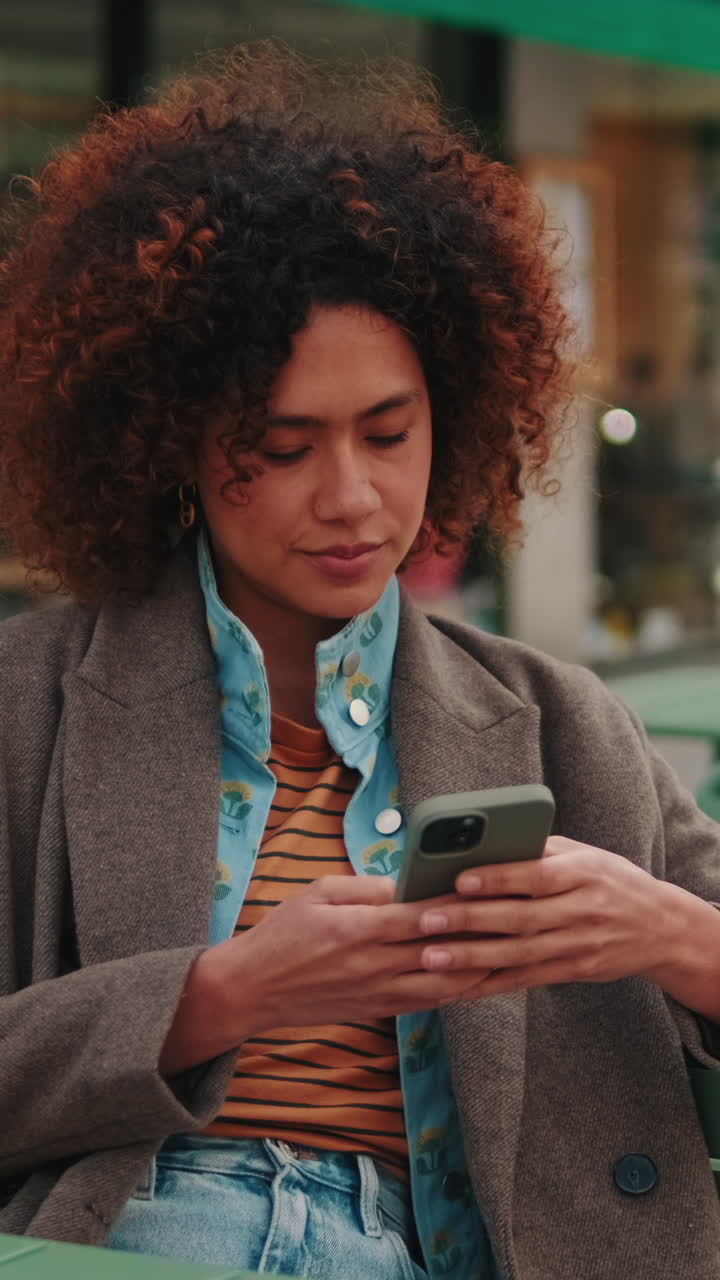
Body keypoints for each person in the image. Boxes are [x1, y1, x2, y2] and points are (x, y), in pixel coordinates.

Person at [1, 42, 720, 1280]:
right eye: (280, 445)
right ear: (170, 440)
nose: (351, 497)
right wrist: (218, 992)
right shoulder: (31, 697)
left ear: (459, 410)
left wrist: (667, 930)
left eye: (390, 432)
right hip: (151, 1231)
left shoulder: (559, 718)